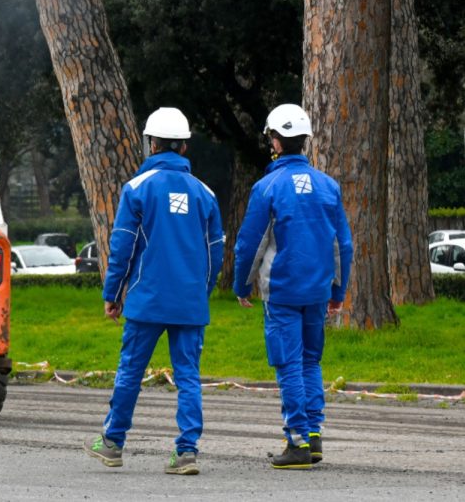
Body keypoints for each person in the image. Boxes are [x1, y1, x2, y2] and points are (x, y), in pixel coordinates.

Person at [83, 108, 224, 476]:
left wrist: (112, 292)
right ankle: (187, 451)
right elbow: (216, 253)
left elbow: (123, 247)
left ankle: (113, 443)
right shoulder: (206, 194)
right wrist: (201, 292)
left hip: (146, 300)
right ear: (185, 145)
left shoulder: (137, 189)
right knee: (189, 376)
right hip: (190, 304)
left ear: (151, 144)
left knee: (130, 371)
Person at [232, 104, 352, 469]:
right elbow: (342, 245)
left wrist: (241, 284)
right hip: (318, 290)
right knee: (310, 361)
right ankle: (314, 436)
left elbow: (248, 244)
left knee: (287, 364)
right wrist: (338, 291)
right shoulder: (328, 186)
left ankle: (297, 442)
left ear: (274, 141)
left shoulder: (266, 187)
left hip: (282, 291)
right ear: (305, 141)